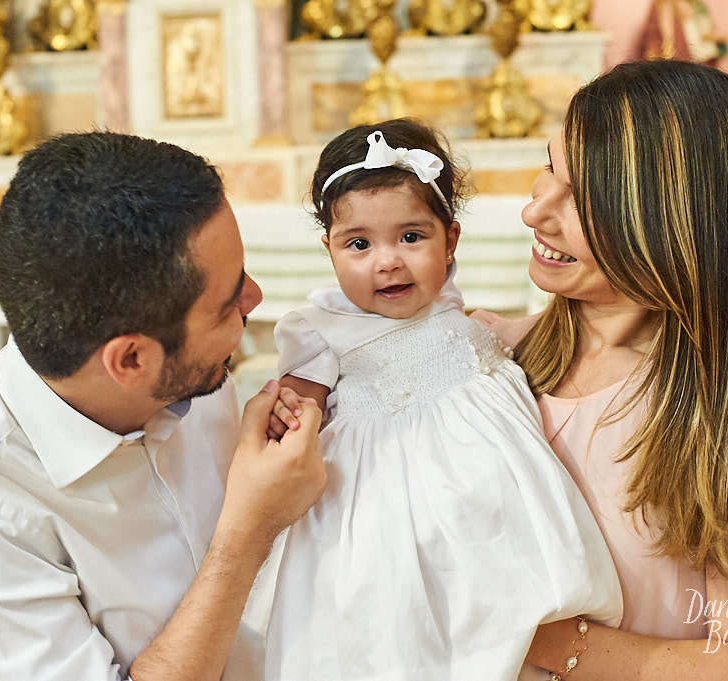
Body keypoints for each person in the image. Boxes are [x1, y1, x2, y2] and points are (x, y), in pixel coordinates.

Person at [0, 132, 327, 681]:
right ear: (131, 359)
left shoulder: (191, 377)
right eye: (225, 303)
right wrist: (247, 533)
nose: (253, 298)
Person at [472, 60, 728, 680]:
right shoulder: (494, 363)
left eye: (585, 197)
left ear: (677, 225)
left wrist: (547, 640)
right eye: (548, 168)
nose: (536, 212)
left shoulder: (714, 421)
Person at [262, 119, 623, 681]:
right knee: (408, 632)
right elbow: (294, 416)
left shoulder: (452, 304)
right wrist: (288, 415)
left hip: (487, 508)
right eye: (359, 244)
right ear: (329, 249)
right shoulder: (319, 329)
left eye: (411, 237)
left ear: (449, 240)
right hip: (387, 512)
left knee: (502, 614)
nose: (388, 261)